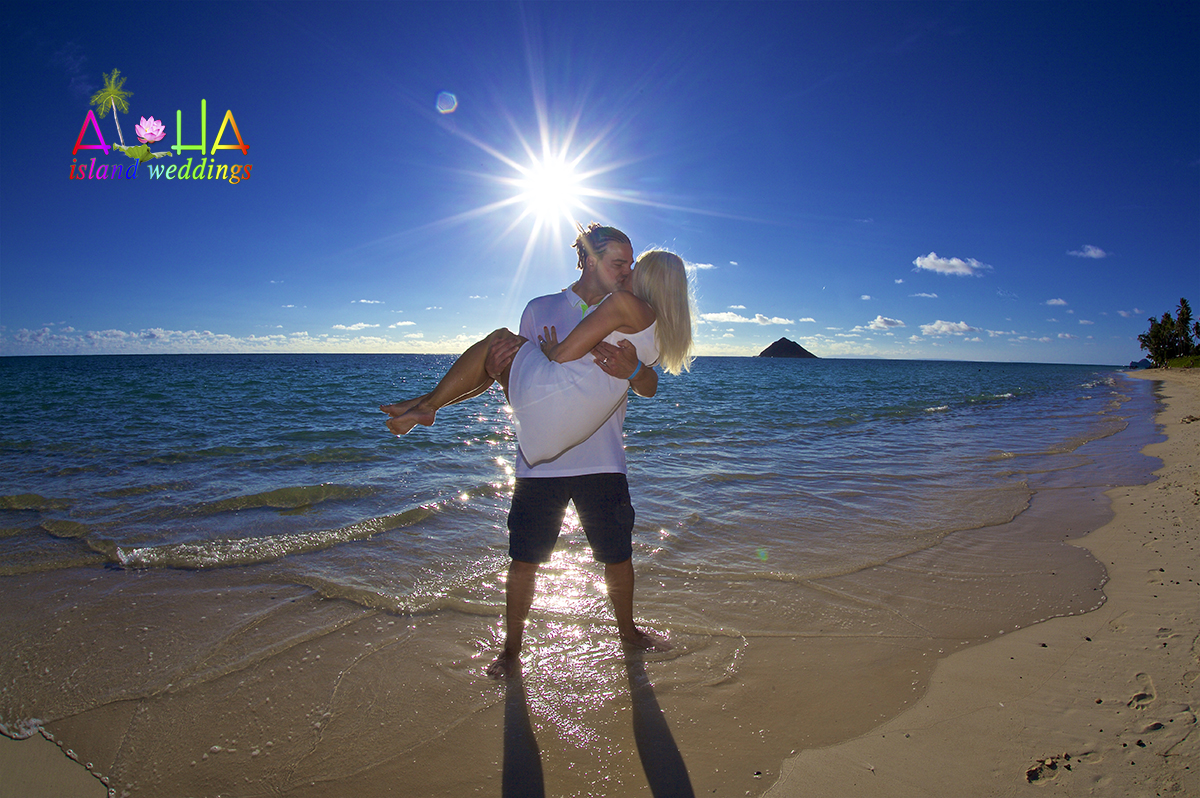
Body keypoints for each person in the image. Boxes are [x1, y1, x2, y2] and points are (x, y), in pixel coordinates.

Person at [381, 224, 693, 679]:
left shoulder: (629, 308)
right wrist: (514, 379)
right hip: (540, 465)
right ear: (586, 259)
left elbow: (648, 385)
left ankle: (627, 632)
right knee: (525, 558)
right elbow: (520, 383)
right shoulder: (541, 308)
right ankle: (511, 650)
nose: (627, 272)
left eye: (632, 265)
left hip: (602, 458)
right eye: (618, 263)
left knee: (617, 556)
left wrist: (631, 372)